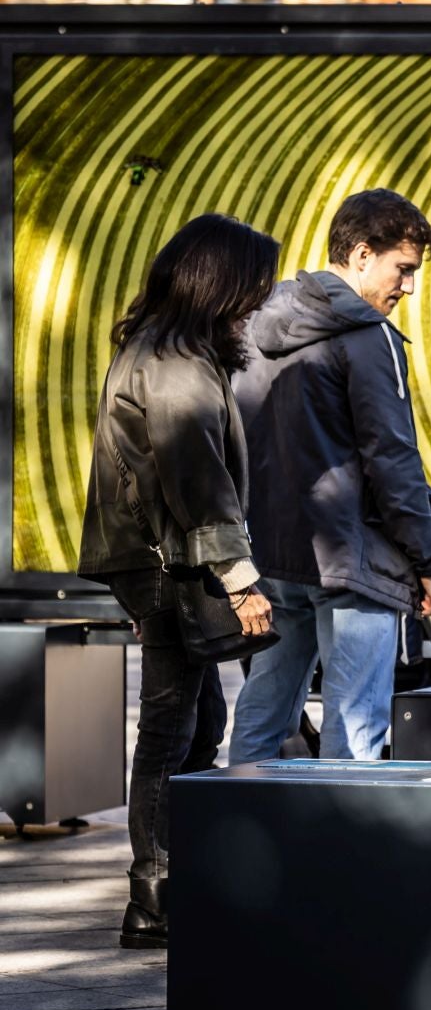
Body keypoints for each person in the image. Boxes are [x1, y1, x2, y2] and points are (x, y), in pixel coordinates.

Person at [78, 214, 279, 950]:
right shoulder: (174, 364)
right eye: (252, 283)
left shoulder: (165, 351)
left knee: (195, 721)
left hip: (161, 562)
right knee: (173, 725)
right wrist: (242, 580)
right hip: (175, 562)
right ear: (218, 281)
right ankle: (156, 897)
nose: (257, 299)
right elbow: (197, 481)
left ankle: (172, 883)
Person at [228, 189, 431, 765]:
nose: (408, 288)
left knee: (265, 707)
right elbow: (392, 458)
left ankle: (238, 843)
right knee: (354, 726)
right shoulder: (368, 336)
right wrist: (430, 564)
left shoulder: (256, 321)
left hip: (274, 556)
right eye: (402, 269)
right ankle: (336, 854)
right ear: (360, 255)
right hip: (352, 560)